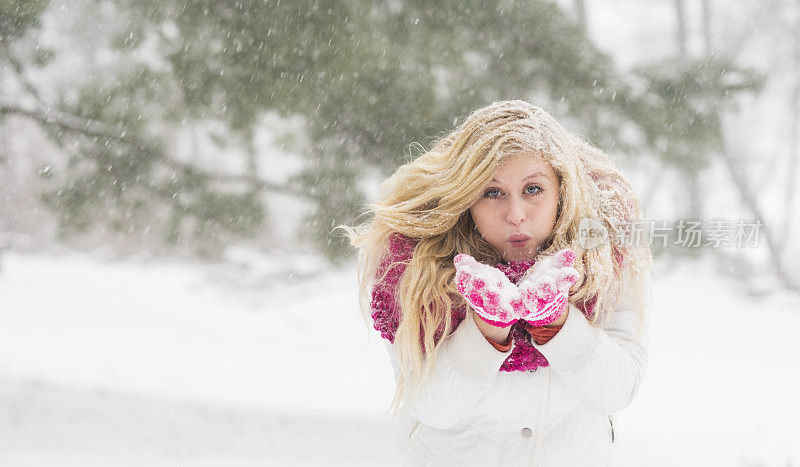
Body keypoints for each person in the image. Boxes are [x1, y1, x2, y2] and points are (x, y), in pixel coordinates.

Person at [341, 99, 653, 466]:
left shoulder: (606, 250)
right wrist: (487, 328)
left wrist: (557, 323)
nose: (516, 214)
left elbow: (616, 389)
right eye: (493, 193)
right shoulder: (414, 267)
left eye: (533, 189)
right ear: (466, 201)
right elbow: (433, 407)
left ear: (562, 189)